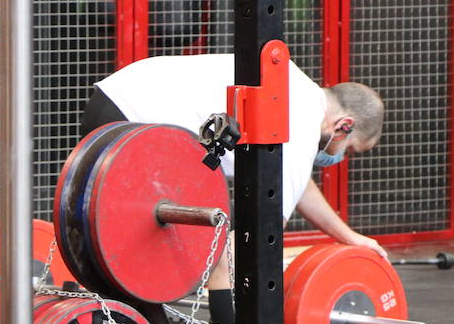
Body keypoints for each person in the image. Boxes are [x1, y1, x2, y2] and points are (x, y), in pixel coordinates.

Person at [84, 52, 386, 293]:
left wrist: (349, 237)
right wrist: (224, 290)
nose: (340, 156)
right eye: (350, 149)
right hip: (135, 120)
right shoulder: (302, 125)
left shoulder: (294, 91)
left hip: (112, 102)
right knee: (161, 242)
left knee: (135, 238)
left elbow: (295, 185)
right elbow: (262, 226)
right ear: (344, 126)